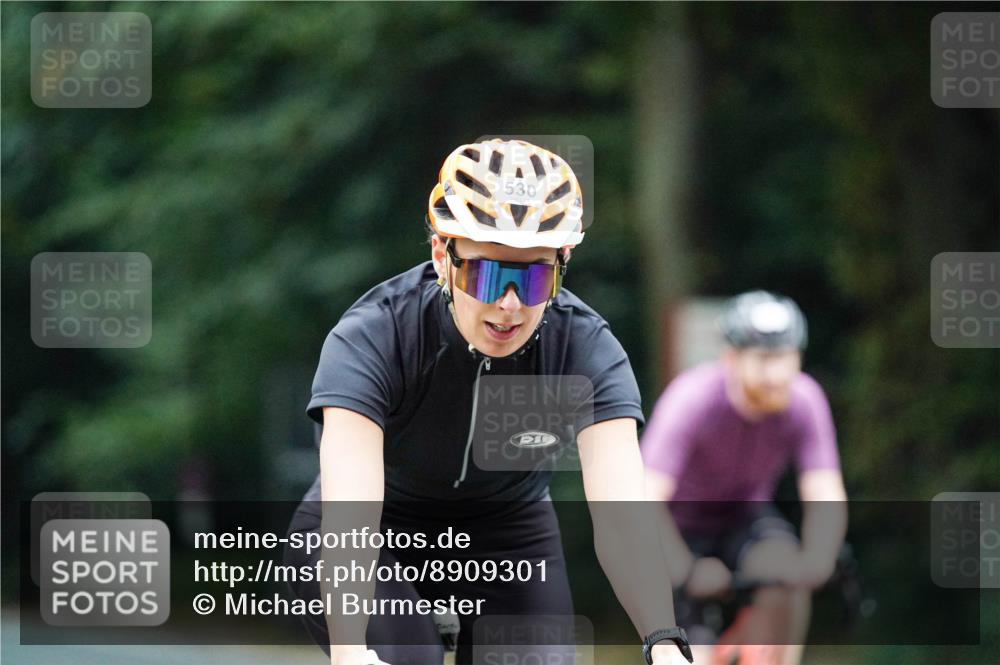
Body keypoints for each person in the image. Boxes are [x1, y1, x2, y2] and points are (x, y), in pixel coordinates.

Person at [285, 139, 693, 665]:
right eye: (488, 275)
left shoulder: (585, 347)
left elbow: (622, 518)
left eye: (535, 278)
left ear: (563, 264)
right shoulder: (375, 334)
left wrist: (664, 642)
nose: (510, 304)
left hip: (508, 532)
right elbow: (352, 512)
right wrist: (349, 650)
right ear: (442, 257)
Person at [640, 291, 848, 665]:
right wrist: (685, 570)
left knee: (786, 575)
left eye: (787, 357)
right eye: (765, 359)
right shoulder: (692, 399)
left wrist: (818, 558)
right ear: (732, 359)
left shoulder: (804, 400)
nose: (778, 374)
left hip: (745, 519)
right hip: (677, 529)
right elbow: (643, 498)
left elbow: (824, 490)